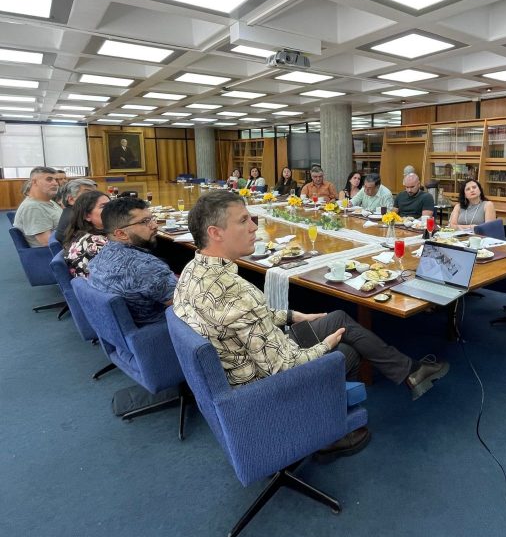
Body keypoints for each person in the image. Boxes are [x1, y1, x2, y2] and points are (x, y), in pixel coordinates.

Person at [173, 191, 449, 454]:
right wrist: (326, 346)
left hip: (249, 355)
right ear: (215, 233)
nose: (254, 227)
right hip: (259, 385)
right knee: (346, 353)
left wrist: (294, 316)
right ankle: (328, 433)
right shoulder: (239, 293)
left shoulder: (191, 271)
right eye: (243, 220)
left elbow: (241, 320)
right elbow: (283, 367)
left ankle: (410, 372)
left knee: (337, 318)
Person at [87, 197, 177, 326]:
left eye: (152, 218)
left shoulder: (102, 254)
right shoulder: (146, 266)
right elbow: (185, 304)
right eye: (145, 222)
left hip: (119, 332)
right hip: (157, 331)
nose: (155, 225)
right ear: (121, 234)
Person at [62, 190, 109, 278]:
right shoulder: (96, 242)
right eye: (104, 207)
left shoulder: (80, 234)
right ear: (87, 216)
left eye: (111, 205)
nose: (112, 210)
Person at [13, 166, 62, 247]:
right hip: (53, 255)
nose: (55, 183)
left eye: (56, 180)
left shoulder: (48, 201)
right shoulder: (33, 207)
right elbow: (48, 243)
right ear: (34, 182)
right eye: (49, 179)